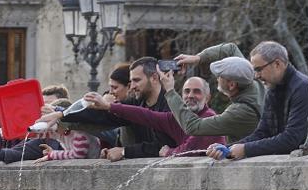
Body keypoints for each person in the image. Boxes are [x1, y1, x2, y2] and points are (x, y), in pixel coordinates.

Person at [43, 57, 176, 161]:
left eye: (136, 80)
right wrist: (61, 113)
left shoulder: (170, 104)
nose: (132, 86)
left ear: (154, 78)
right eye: (131, 81)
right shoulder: (137, 101)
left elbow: (164, 146)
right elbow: (104, 117)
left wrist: (124, 151)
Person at [207, 41, 308, 160]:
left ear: (277, 64)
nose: (256, 76)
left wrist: (246, 149)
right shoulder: (273, 89)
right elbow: (262, 133)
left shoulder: (303, 88)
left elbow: (292, 139)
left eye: (259, 69)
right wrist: (226, 148)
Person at [85, 76, 225, 156]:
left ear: (208, 97)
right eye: (186, 91)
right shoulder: (178, 117)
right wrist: (109, 106)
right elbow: (146, 115)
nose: (190, 96)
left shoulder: (208, 117)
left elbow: (188, 150)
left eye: (196, 91)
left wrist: (169, 151)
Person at [162, 56, 263, 143]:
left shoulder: (240, 112)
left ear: (232, 85)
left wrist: (170, 90)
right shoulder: (251, 80)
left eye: (220, 76)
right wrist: (197, 58)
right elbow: (230, 48)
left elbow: (193, 127)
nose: (217, 78)